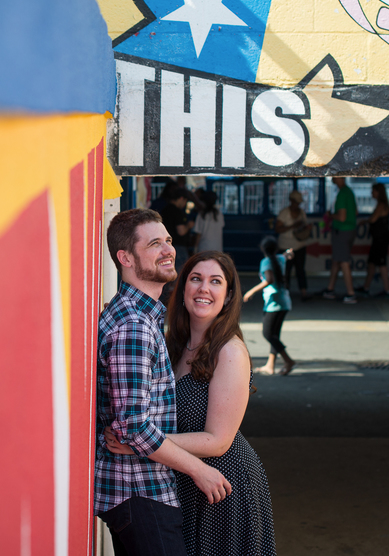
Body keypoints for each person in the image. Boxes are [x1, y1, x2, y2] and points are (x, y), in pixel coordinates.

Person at [106, 251, 276, 556]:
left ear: (227, 297)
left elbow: (218, 440)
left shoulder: (230, 352)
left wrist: (141, 443)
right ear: (183, 288)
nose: (203, 289)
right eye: (196, 279)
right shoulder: (170, 343)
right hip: (182, 477)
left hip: (223, 484)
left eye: (215, 282)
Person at [96, 209, 231, 556]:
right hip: (140, 493)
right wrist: (199, 470)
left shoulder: (143, 317)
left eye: (168, 240)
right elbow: (134, 425)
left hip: (142, 493)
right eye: (155, 243)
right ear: (125, 258)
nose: (168, 250)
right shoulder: (135, 326)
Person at [244, 237, 296, 376]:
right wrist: (289, 253)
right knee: (274, 334)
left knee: (267, 333)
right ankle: (270, 365)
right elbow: (286, 256)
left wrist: (251, 291)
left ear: (262, 249)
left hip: (274, 303)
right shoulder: (280, 258)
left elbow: (269, 279)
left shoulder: (266, 261)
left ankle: (288, 360)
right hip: (284, 300)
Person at [323, 177, 358, 303]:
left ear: (340, 177)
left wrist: (330, 215)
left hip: (342, 231)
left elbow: (342, 217)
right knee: (337, 260)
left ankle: (351, 293)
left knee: (343, 261)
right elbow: (356, 212)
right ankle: (330, 289)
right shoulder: (348, 191)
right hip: (349, 230)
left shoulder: (343, 193)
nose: (332, 177)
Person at [275, 190, 312, 300]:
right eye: (296, 202)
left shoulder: (301, 212)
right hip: (285, 246)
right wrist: (292, 226)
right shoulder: (284, 213)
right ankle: (285, 293)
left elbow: (304, 226)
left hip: (300, 245)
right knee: (286, 271)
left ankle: (303, 292)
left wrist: (307, 228)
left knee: (300, 270)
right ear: (291, 201)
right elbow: (278, 229)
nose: (298, 204)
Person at [358, 182, 389, 296]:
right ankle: (366, 287)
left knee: (381, 264)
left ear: (378, 192)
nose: (371, 193)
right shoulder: (381, 204)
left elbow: (373, 219)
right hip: (378, 238)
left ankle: (387, 289)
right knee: (372, 263)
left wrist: (365, 221)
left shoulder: (382, 204)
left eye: (373, 191)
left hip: (381, 239)